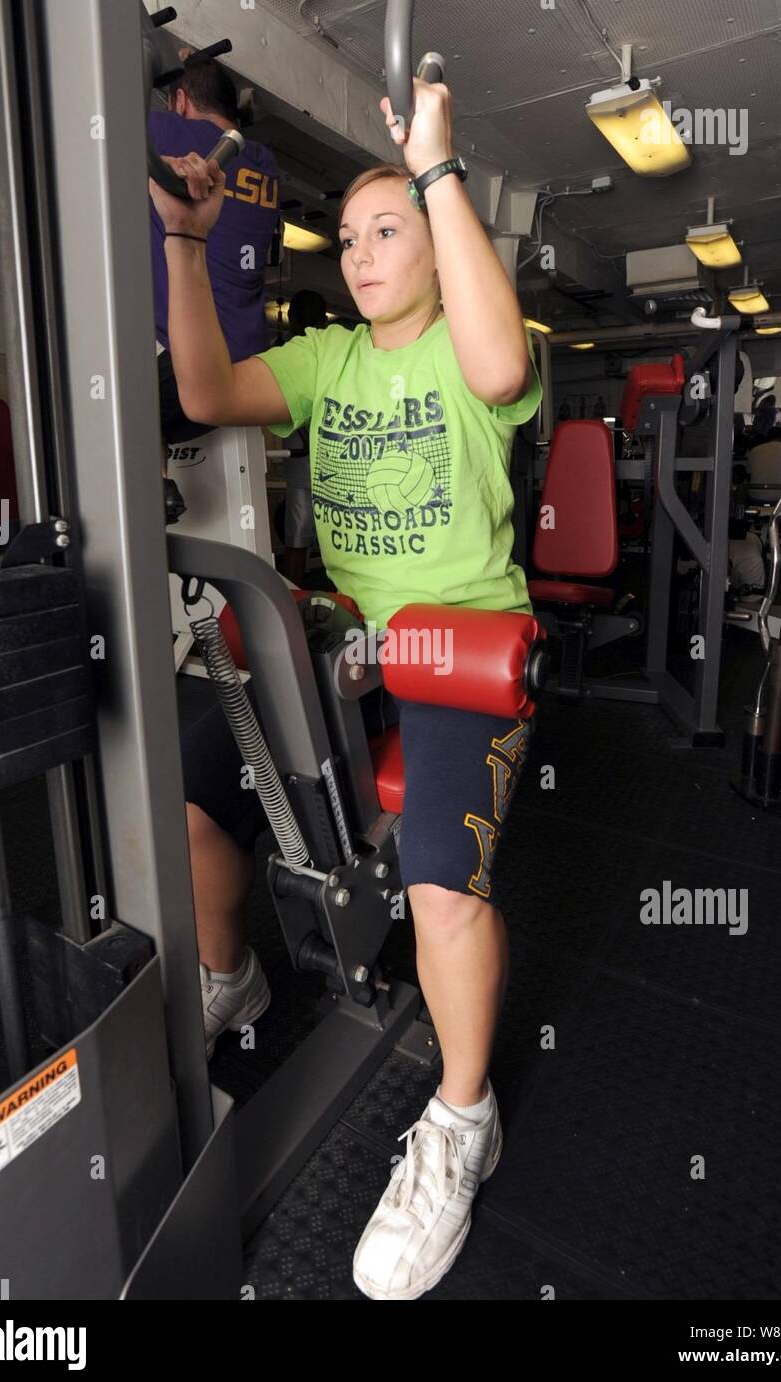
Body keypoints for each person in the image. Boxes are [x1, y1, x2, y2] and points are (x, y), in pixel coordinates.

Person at [148, 71, 541, 1300]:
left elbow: (491, 365)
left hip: (457, 645)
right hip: (344, 642)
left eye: (392, 233)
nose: (366, 254)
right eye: (354, 234)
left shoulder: (481, 352)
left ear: (435, 245)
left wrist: (433, 165)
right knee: (194, 791)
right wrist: (183, 240)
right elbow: (204, 392)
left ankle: (462, 1120)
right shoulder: (325, 362)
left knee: (437, 883)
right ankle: (233, 975)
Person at [148, 52, 279, 521]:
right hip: (250, 356)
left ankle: (152, 494)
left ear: (179, 99)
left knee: (117, 406)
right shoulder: (264, 163)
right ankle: (158, 487)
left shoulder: (165, 131)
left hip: (197, 354)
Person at [279, 289, 328, 584]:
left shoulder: (328, 353)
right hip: (307, 456)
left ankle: (294, 597)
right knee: (297, 534)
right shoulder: (284, 353)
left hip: (321, 456)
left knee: (300, 534)